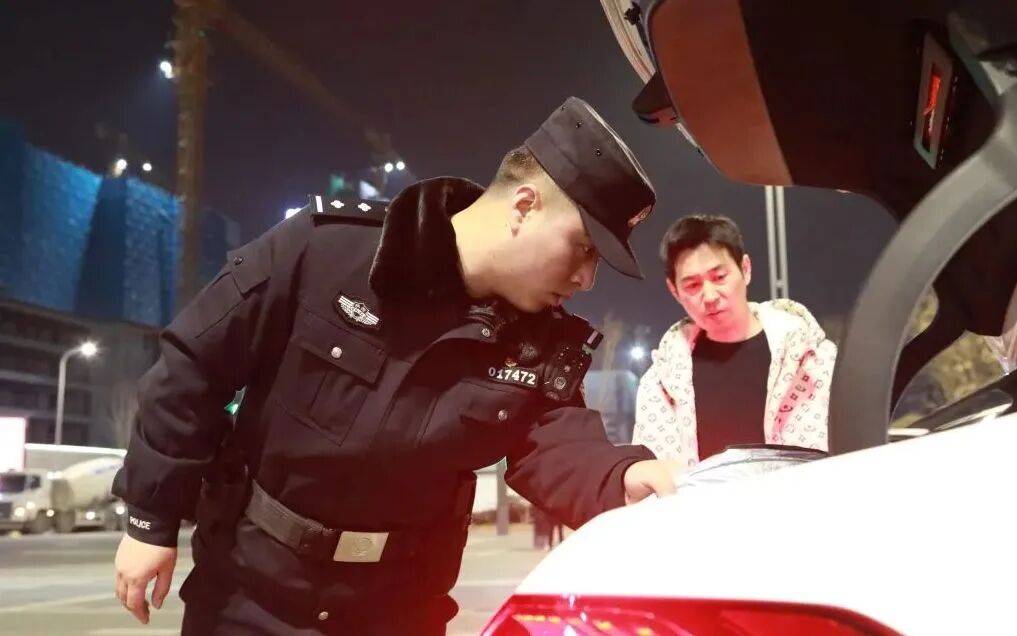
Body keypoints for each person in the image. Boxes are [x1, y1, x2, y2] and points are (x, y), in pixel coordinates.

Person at [112, 96, 678, 634]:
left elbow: (556, 441)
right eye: (584, 247)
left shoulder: (541, 344)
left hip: (400, 610)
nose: (586, 279)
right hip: (251, 595)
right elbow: (194, 365)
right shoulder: (325, 252)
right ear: (525, 206)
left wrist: (620, 477)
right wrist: (150, 521)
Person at [633, 214, 835, 473]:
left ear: (745, 269)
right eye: (692, 285)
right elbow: (653, 473)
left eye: (719, 277)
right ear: (674, 290)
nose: (709, 296)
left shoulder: (810, 357)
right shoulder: (662, 381)